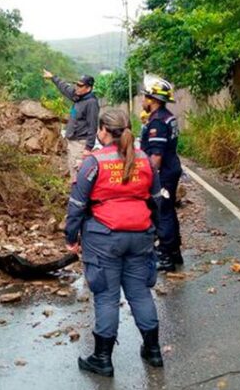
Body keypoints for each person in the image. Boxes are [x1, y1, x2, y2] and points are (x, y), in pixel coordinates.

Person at [66, 108, 164, 378]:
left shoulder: (93, 162)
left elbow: (77, 204)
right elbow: (156, 199)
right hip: (140, 234)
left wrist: (71, 237)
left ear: (103, 131)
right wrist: (153, 230)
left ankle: (102, 359)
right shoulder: (145, 160)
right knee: (140, 292)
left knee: (107, 297)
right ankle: (153, 350)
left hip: (104, 237)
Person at [140, 75, 183, 271]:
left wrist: (147, 178)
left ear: (153, 100)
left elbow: (156, 156)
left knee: (162, 212)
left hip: (163, 173)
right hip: (171, 168)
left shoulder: (157, 122)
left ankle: (166, 255)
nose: (143, 100)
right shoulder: (167, 116)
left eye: (145, 97)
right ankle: (174, 251)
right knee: (169, 210)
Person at [43, 69, 100, 181]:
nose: (77, 87)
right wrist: (53, 77)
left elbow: (93, 126)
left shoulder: (91, 103)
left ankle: (77, 197)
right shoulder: (78, 96)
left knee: (78, 176)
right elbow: (65, 88)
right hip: (72, 142)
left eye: (80, 86)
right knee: (72, 173)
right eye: (76, 84)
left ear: (88, 88)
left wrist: (88, 148)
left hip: (80, 144)